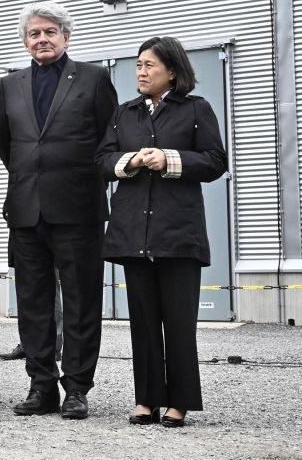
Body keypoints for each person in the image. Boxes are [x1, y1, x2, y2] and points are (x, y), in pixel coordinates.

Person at [96, 37, 226, 428]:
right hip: (134, 232)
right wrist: (131, 160)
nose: (141, 71)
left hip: (178, 233)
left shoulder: (196, 110)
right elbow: (101, 161)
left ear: (172, 70)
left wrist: (169, 158)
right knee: (144, 321)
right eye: (138, 64)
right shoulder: (124, 113)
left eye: (149, 65)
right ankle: (146, 400)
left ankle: (179, 402)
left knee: (179, 322)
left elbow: (215, 161)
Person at [0, 1, 117, 420]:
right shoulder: (10, 85)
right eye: (34, 33)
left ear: (66, 36)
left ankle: (77, 388)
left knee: (82, 302)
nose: (41, 39)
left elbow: (108, 141)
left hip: (78, 208)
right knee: (33, 303)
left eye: (49, 32)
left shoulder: (94, 78)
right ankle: (40, 385)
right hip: (28, 209)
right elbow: (8, 147)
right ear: (25, 41)